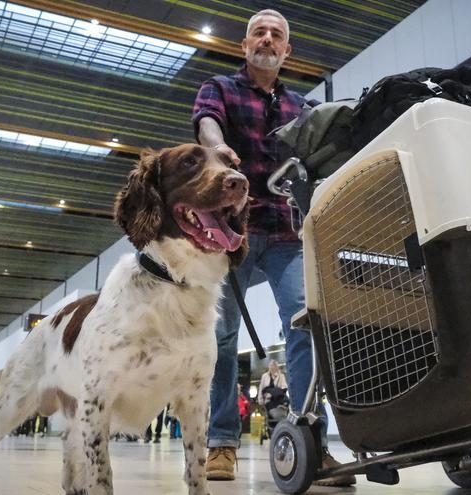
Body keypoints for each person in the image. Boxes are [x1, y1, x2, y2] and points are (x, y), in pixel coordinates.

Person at [192, 8, 355, 486]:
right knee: (220, 337)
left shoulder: (302, 108)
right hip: (230, 230)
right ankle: (221, 441)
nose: (266, 39)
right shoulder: (220, 88)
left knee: (305, 323)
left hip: (286, 231)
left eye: (276, 35)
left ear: (287, 51)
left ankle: (312, 443)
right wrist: (217, 148)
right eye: (258, 32)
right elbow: (207, 124)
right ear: (245, 46)